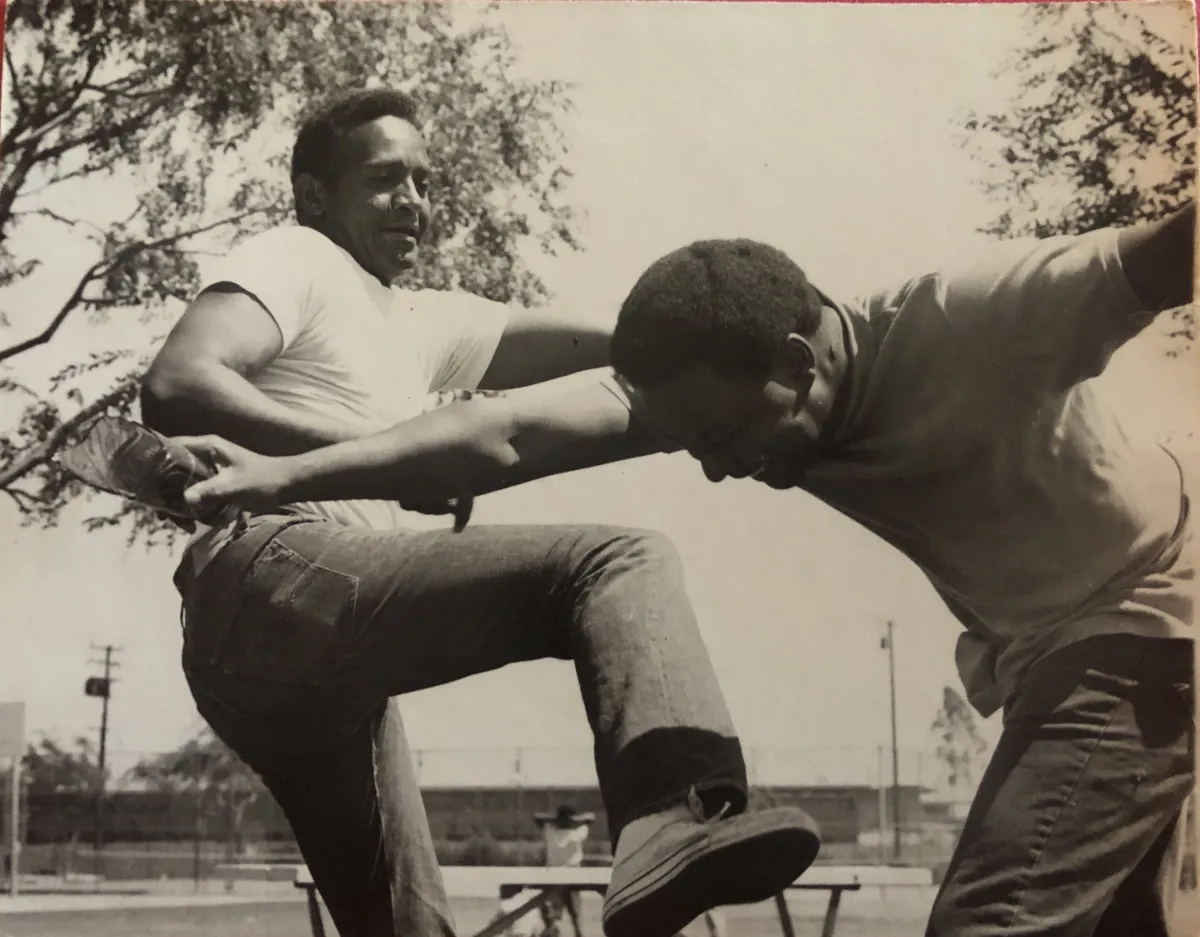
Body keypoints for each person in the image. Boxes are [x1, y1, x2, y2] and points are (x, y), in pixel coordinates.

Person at [179, 200, 1198, 937]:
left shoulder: (976, 314)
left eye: (722, 434)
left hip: (1143, 623)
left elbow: (1166, 250)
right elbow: (500, 436)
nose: (714, 467)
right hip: (1054, 655)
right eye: (687, 441)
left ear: (803, 359)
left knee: (990, 922)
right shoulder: (714, 385)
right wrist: (286, 473)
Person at [138, 88, 821, 937]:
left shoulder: (421, 318)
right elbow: (179, 382)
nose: (414, 201)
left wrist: (748, 329)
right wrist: (381, 454)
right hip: (277, 574)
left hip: (307, 669)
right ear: (314, 194)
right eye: (386, 179)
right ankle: (675, 814)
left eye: (424, 182)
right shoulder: (297, 256)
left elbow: (618, 341)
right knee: (616, 563)